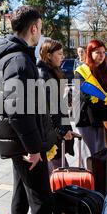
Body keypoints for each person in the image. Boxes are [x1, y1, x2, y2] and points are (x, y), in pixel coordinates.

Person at [0, 6, 58, 214]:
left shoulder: (7, 56)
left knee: (21, 194)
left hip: (17, 144)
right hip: (26, 146)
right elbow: (17, 110)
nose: (41, 34)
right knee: (41, 200)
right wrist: (34, 148)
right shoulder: (18, 59)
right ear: (33, 28)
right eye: (40, 28)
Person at [73, 39, 107, 167]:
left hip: (105, 117)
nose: (102, 55)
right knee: (89, 158)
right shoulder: (80, 71)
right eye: (97, 52)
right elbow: (86, 93)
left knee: (103, 157)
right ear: (89, 53)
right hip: (87, 119)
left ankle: (101, 184)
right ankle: (88, 184)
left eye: (103, 52)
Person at [37, 39, 75, 174]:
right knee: (60, 170)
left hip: (55, 130)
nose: (62, 56)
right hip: (52, 132)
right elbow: (50, 107)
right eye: (59, 53)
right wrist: (62, 130)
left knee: (59, 168)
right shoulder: (44, 74)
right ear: (48, 55)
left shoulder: (52, 71)